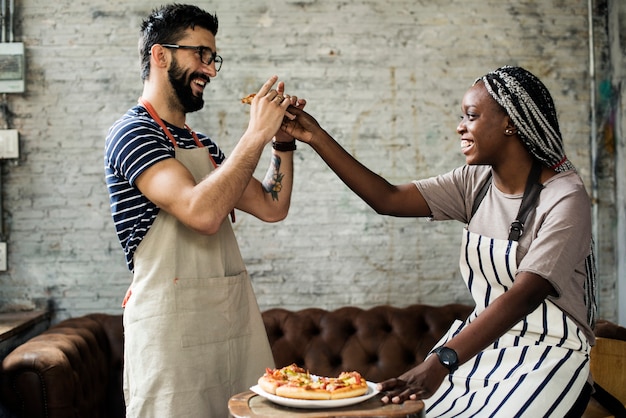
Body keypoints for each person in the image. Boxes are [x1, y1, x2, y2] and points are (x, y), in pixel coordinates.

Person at [282, 66, 597, 417]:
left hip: (549, 356)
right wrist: (315, 136)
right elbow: (387, 198)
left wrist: (442, 359)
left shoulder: (565, 197)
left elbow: (525, 295)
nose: (460, 126)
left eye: (472, 116)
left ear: (510, 123)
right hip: (485, 351)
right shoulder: (473, 184)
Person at [104, 4, 305, 417]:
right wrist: (255, 133)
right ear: (160, 55)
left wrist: (281, 142)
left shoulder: (204, 145)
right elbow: (202, 213)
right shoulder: (133, 132)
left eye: (213, 58)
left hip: (229, 327)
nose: (211, 70)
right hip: (170, 339)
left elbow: (271, 206)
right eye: (201, 54)